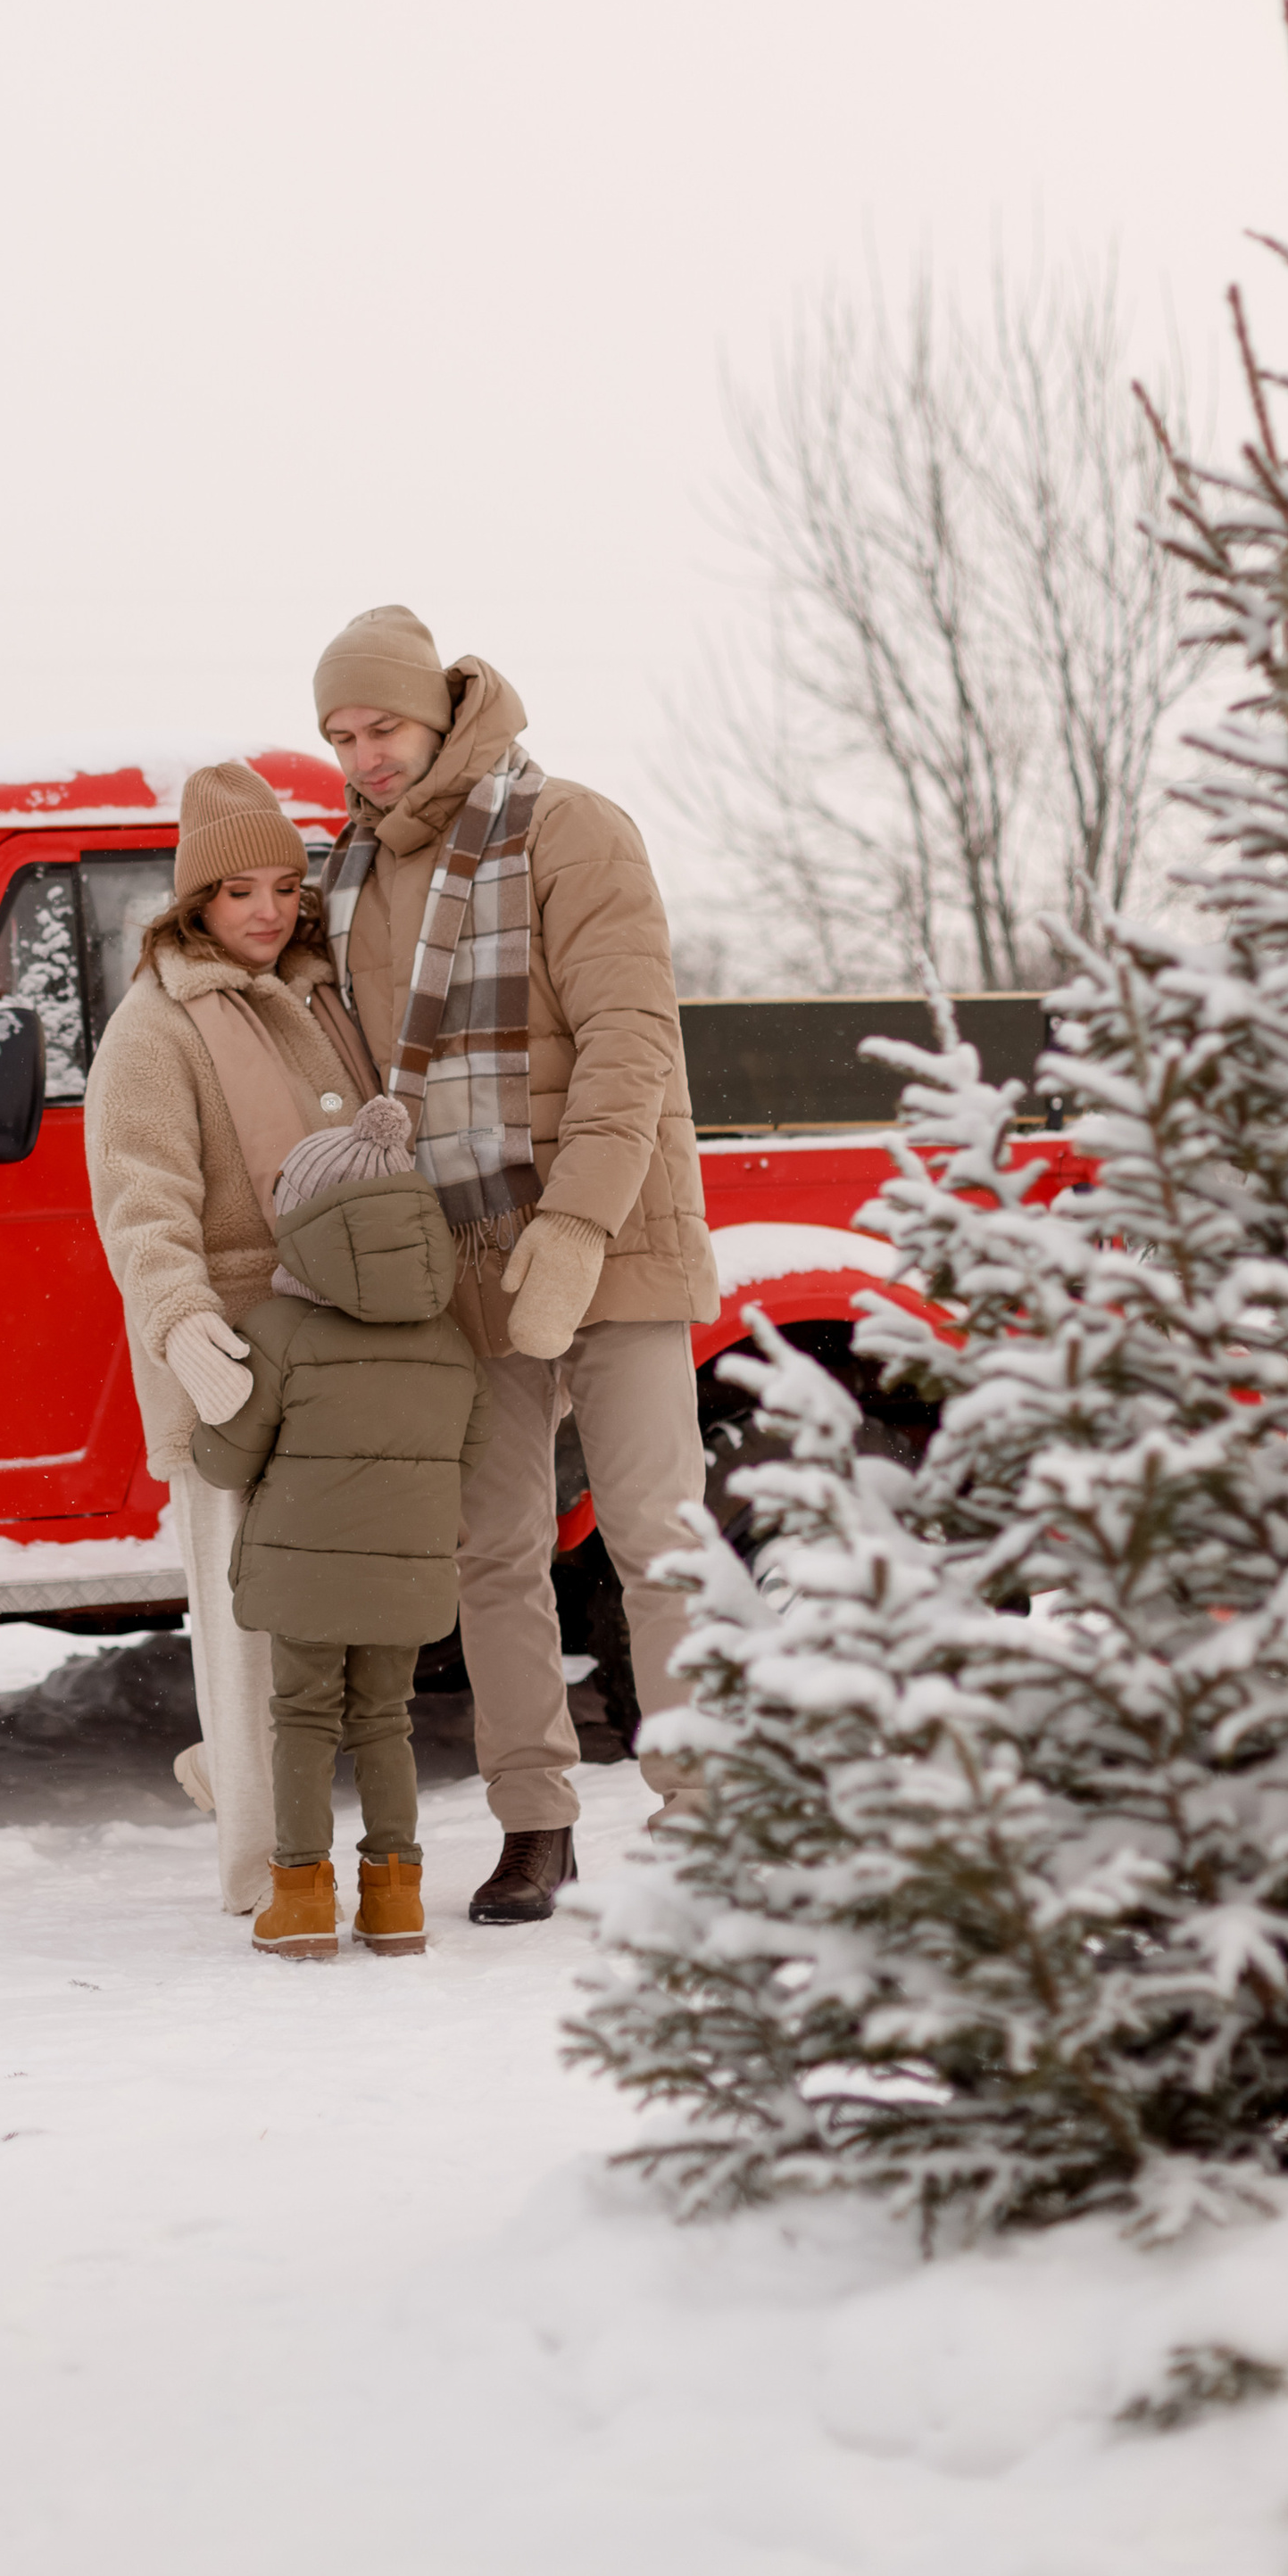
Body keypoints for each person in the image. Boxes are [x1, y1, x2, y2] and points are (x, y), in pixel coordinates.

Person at [312, 603, 720, 1923]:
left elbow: (629, 1041)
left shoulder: (568, 828)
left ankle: (707, 1814)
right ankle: (535, 1820)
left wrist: (580, 1222)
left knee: (656, 1533)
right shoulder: (353, 875)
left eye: (382, 726)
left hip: (612, 1238)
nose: (366, 755)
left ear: (439, 711)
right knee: (491, 1547)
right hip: (467, 1249)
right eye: (341, 736)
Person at [82, 758, 372, 1918]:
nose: (266, 910)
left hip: (341, 1356)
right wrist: (184, 1330)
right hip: (233, 1371)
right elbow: (139, 1199)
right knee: (249, 1632)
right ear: (194, 902)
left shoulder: (317, 1005)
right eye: (239, 890)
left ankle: (229, 1775)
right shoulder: (154, 1028)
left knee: (338, 1626)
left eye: (283, 887)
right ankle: (264, 1875)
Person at [190, 1095, 491, 1960]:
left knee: (305, 1719)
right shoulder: (448, 1345)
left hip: (303, 1576)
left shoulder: (278, 1332)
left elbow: (227, 1460)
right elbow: (465, 1455)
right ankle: (395, 1900)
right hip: (407, 1572)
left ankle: (302, 1895)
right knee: (386, 1721)